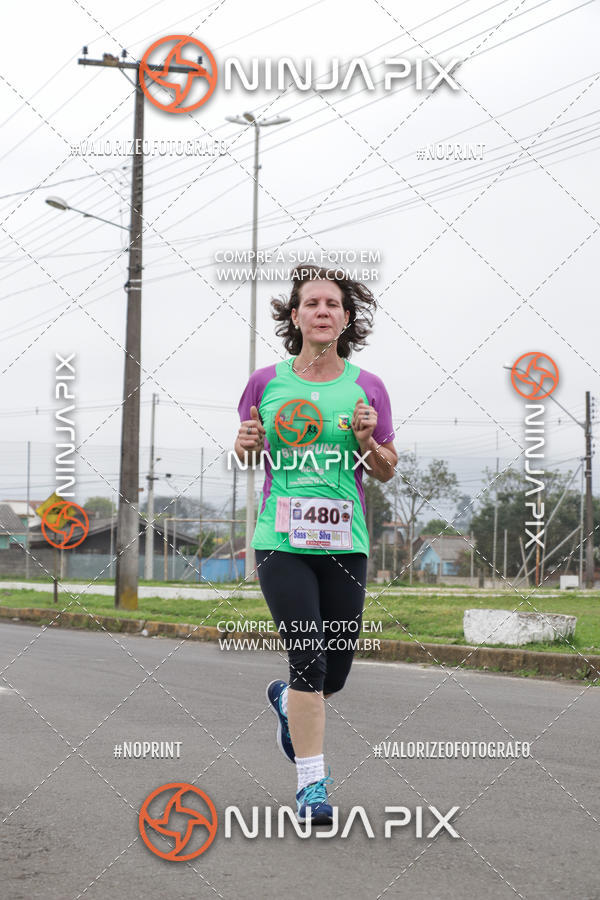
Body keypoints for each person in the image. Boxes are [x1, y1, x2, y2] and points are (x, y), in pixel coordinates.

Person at [234, 266, 397, 824]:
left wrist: (367, 441)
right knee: (309, 657)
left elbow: (386, 470)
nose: (323, 311)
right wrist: (244, 442)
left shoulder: (368, 386)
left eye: (333, 304)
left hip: (344, 542)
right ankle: (312, 788)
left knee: (335, 671)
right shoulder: (265, 382)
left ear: (346, 319)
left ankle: (285, 702)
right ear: (296, 316)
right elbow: (248, 452)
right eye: (312, 303)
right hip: (281, 540)